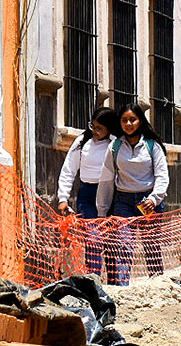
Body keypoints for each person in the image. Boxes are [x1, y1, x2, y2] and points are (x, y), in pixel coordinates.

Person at [96, 104, 170, 284]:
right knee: (124, 245)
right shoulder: (114, 147)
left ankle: (158, 285)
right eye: (124, 120)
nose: (128, 124)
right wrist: (102, 211)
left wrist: (154, 198)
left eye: (132, 120)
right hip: (123, 202)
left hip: (148, 203)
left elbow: (162, 175)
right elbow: (106, 179)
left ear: (140, 121)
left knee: (151, 246)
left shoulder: (152, 146)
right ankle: (123, 287)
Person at [56, 107, 119, 275]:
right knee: (92, 238)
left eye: (100, 128)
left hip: (110, 194)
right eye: (93, 126)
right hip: (87, 195)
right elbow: (68, 169)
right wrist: (63, 197)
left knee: (112, 241)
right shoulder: (82, 142)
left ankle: (115, 281)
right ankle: (94, 278)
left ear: (109, 129)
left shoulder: (116, 144)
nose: (95, 131)